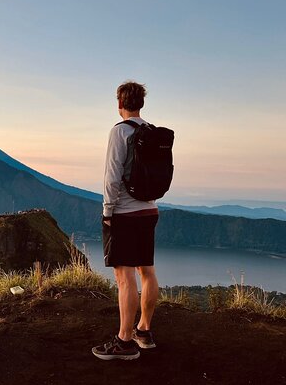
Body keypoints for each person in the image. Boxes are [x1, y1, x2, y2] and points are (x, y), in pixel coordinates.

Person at [92, 80, 160, 360]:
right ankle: (143, 331)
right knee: (147, 271)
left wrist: (107, 211)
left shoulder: (119, 132)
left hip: (125, 214)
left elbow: (112, 175)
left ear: (120, 104)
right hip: (149, 211)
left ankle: (124, 341)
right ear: (141, 104)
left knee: (124, 277)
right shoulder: (152, 132)